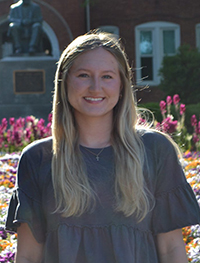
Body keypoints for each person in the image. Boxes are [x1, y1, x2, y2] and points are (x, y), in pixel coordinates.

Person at [6, 31, 200, 263]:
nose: (96, 87)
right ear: (65, 82)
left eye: (107, 76)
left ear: (121, 86)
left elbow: (171, 250)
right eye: (84, 75)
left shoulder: (155, 150)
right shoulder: (38, 158)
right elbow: (28, 256)